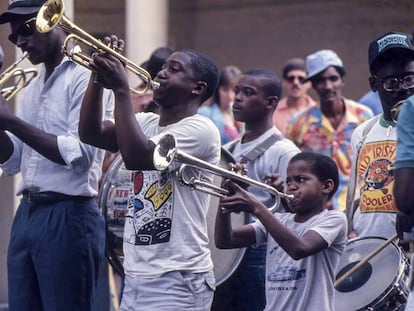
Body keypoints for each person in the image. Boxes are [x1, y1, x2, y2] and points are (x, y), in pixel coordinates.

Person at [78, 39, 221, 310]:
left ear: (197, 88)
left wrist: (121, 88)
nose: (161, 73)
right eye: (163, 67)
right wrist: (97, 79)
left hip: (178, 277)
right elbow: (90, 132)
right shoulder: (145, 122)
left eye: (175, 69)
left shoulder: (201, 129)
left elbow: (137, 157)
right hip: (137, 273)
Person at [0, 0, 114, 310]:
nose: (20, 42)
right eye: (13, 38)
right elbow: (13, 162)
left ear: (54, 22)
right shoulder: (33, 86)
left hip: (70, 213)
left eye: (25, 31)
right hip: (28, 213)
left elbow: (79, 156)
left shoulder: (85, 76)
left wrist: (10, 120)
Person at [212, 68, 300, 311]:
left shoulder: (284, 152)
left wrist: (282, 197)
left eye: (248, 93)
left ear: (270, 103)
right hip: (225, 251)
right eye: (236, 91)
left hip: (260, 254)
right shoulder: (228, 149)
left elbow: (296, 214)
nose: (236, 98)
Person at [215, 151, 347, 311]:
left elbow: (300, 248)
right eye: (288, 181)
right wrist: (225, 197)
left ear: (326, 186)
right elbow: (225, 241)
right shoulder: (278, 220)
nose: (291, 186)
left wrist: (257, 207)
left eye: (301, 179)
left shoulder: (334, 219)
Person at [287, 49, 374, 211]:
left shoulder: (363, 116)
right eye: (320, 80)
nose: (327, 86)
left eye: (333, 79)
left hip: (358, 207)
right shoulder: (299, 123)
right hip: (317, 211)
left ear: (342, 81)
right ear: (312, 84)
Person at [347, 31, 414, 240]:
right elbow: (360, 193)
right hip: (371, 250)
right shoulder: (362, 132)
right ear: (373, 85)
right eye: (391, 83)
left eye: (409, 79)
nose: (402, 89)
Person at [199, 65, 243, 144]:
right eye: (225, 90)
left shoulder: (241, 118)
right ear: (218, 90)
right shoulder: (205, 113)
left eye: (234, 90)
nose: (229, 96)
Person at [272, 58, 316, 136]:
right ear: (284, 82)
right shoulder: (272, 112)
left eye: (301, 79)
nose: (295, 82)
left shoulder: (318, 112)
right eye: (291, 78)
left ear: (309, 83)